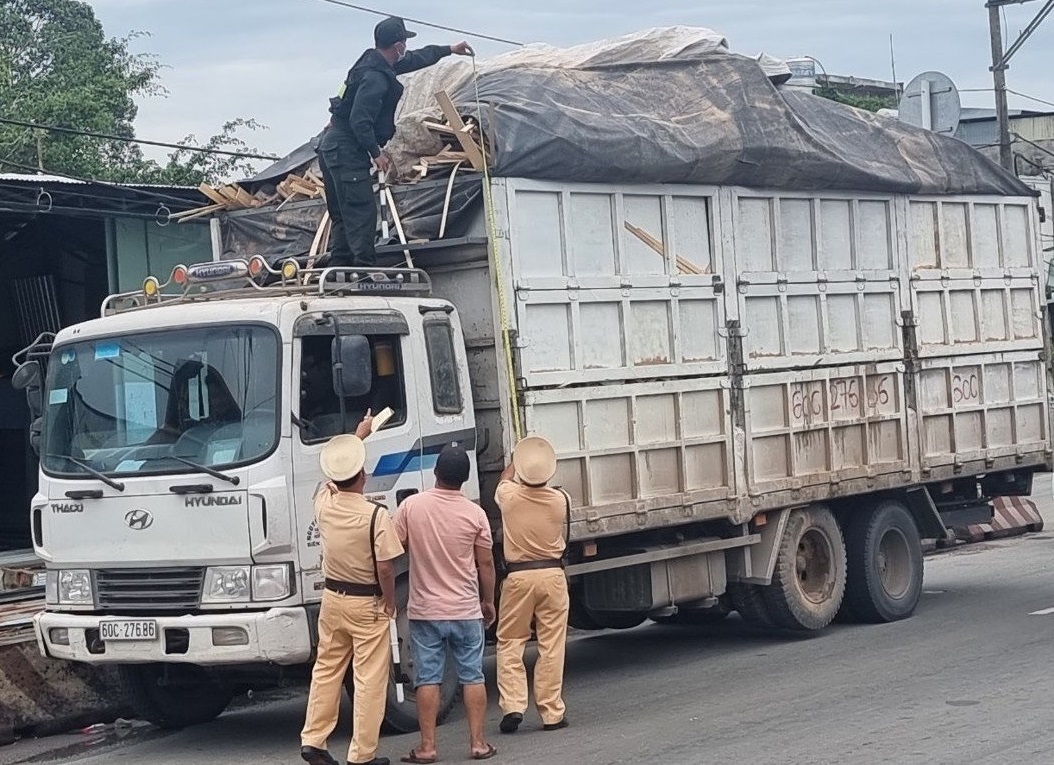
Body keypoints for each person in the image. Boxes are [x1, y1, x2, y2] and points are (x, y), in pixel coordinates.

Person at [319, 16, 473, 267]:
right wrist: (375, 152)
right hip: (347, 147)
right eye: (404, 43)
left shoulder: (372, 63)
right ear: (398, 46)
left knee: (343, 213)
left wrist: (449, 50)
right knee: (361, 212)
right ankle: (363, 269)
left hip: (331, 145)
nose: (406, 49)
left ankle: (341, 266)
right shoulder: (376, 78)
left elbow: (417, 58)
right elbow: (360, 120)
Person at [300, 414, 403, 765]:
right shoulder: (376, 515)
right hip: (366, 602)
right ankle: (362, 755)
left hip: (332, 598)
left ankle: (313, 739)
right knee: (370, 678)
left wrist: (357, 437)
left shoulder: (324, 504)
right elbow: (386, 568)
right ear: (364, 476)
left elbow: (333, 473)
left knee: (327, 668)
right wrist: (390, 604)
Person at [393, 444, 498, 763]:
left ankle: (427, 747)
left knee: (428, 678)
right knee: (472, 676)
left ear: (436, 473)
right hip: (466, 610)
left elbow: (394, 546)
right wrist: (488, 601)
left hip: (425, 612)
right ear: (464, 480)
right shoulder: (475, 513)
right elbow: (486, 564)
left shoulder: (411, 507)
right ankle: (478, 744)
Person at [494, 435, 571, 734]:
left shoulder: (509, 498)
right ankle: (551, 712)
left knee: (511, 641)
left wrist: (519, 459)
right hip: (552, 576)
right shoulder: (560, 500)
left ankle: (513, 705)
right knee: (552, 644)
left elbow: (505, 477)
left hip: (519, 577)